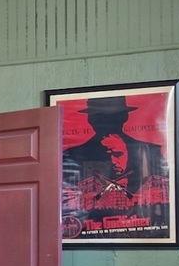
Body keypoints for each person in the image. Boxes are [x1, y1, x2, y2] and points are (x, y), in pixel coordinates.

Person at [62, 95, 169, 234]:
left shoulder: (151, 153)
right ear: (91, 119)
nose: (106, 123)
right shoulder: (71, 156)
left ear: (124, 117)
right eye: (100, 118)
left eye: (112, 118)